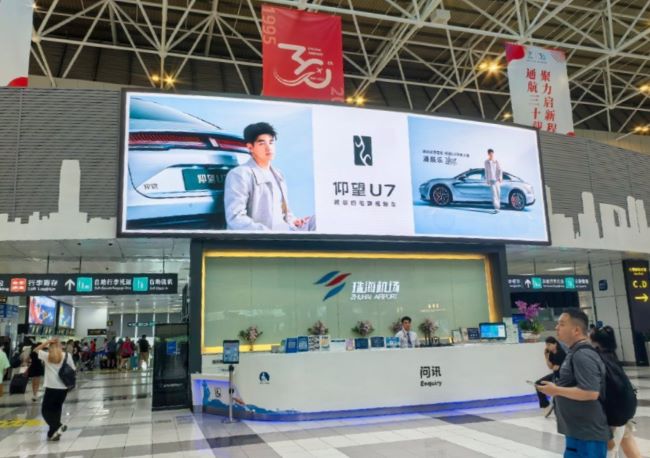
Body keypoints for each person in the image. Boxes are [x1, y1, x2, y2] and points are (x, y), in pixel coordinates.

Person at [537, 309, 610, 458]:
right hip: (576, 431)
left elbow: (591, 392)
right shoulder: (574, 351)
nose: (557, 327)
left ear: (576, 330)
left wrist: (556, 390)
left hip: (588, 434)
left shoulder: (583, 354)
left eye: (562, 324)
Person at [224, 122, 315, 231]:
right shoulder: (239, 174)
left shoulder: (278, 174)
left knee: (319, 220)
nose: (268, 148)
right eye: (262, 143)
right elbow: (235, 218)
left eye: (271, 142)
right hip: (264, 236)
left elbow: (286, 213)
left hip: (286, 232)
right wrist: (266, 233)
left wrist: (294, 221)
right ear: (250, 147)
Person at [590, 326, 642, 458]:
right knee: (630, 449)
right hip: (625, 410)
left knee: (610, 452)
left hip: (614, 416)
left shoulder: (599, 359)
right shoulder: (611, 355)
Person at [34, 338, 74, 441]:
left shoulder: (47, 355)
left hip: (51, 387)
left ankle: (58, 426)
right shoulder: (67, 356)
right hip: (63, 388)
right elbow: (73, 369)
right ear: (61, 346)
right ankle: (52, 433)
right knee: (57, 410)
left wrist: (47, 342)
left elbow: (36, 350)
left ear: (50, 347)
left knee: (45, 411)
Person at [535, 336, 566, 416]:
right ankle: (545, 405)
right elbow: (550, 367)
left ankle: (556, 406)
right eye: (546, 345)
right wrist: (546, 357)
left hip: (561, 376)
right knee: (538, 383)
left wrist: (553, 366)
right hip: (555, 374)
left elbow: (555, 368)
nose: (547, 347)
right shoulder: (552, 353)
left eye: (549, 345)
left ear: (555, 344)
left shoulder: (561, 353)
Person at [484, 148, 502, 214]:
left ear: (493, 153)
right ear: (488, 154)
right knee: (494, 194)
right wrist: (487, 180)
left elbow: (500, 169)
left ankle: (498, 206)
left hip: (497, 180)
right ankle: (496, 208)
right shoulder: (486, 162)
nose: (491, 155)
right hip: (491, 180)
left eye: (492, 153)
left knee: (498, 193)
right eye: (490, 154)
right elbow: (486, 171)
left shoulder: (496, 161)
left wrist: (500, 177)